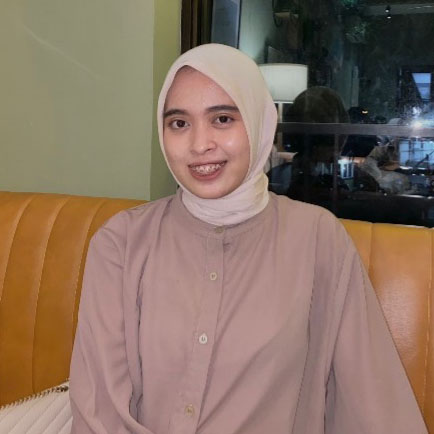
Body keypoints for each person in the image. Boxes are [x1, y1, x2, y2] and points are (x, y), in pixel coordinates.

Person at [69, 44, 427, 433]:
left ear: (259, 122)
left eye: (222, 119)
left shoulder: (318, 240)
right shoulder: (121, 243)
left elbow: (371, 401)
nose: (199, 144)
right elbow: (100, 411)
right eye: (179, 123)